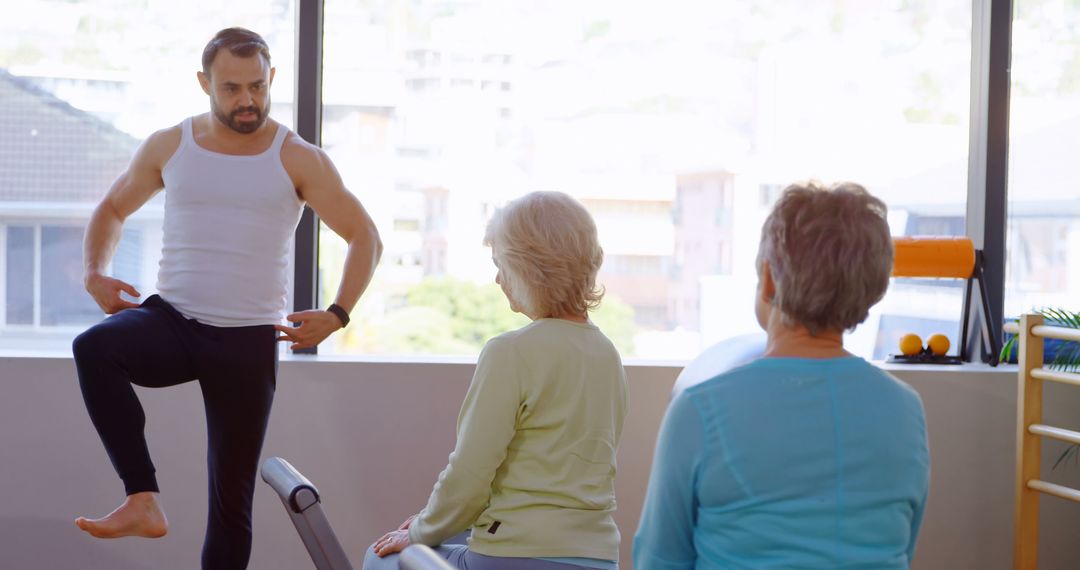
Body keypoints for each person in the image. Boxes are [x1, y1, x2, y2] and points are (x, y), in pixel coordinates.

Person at [71, 27, 383, 570]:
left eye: (258, 87)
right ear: (204, 84)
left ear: (272, 81)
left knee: (231, 501)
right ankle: (142, 499)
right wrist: (95, 273)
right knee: (95, 348)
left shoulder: (298, 157)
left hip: (247, 340)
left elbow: (365, 236)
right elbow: (113, 209)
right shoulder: (172, 144)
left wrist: (337, 314)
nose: (247, 101)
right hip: (173, 321)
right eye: (232, 88)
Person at [634, 182, 930, 569]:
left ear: (770, 280)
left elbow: (659, 560)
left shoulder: (700, 409)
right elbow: (902, 547)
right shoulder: (905, 410)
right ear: (871, 288)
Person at [363, 191, 629, 570]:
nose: (498, 278)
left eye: (501, 264)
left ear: (529, 269)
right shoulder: (607, 354)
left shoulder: (510, 351)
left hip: (516, 554)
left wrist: (420, 531)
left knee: (379, 561)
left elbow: (470, 475)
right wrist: (434, 523)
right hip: (597, 558)